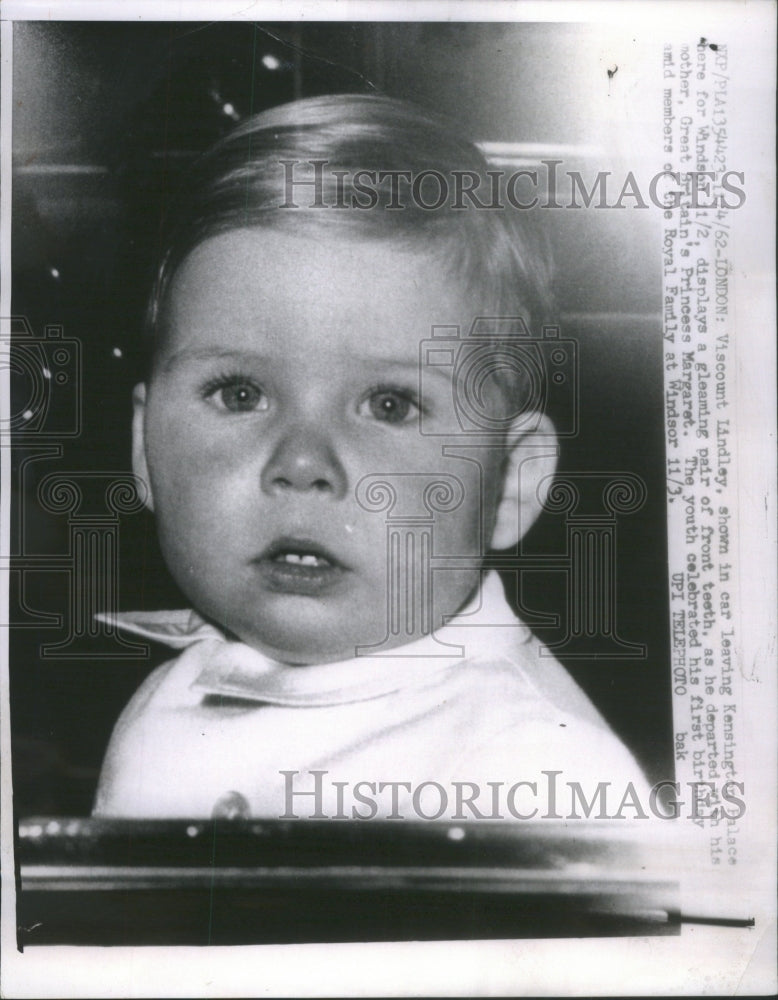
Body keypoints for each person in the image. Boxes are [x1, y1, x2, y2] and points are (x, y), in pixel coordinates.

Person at [94, 94, 649, 821]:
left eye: (390, 405)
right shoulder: (164, 702)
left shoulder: (535, 765)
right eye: (238, 393)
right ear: (144, 448)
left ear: (510, 483)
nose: (300, 461)